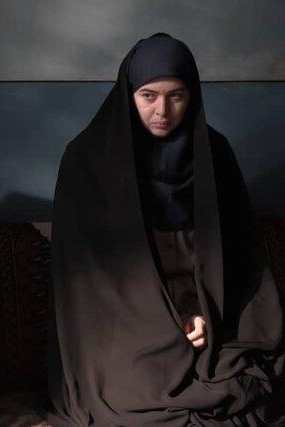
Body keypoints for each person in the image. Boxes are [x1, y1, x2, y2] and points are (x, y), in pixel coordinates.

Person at [47, 33, 284, 425]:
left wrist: (206, 313)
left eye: (176, 95)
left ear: (193, 95)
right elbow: (88, 288)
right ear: (128, 94)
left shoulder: (214, 154)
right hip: (124, 330)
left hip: (209, 314)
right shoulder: (87, 160)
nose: (163, 110)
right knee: (136, 400)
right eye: (148, 96)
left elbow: (242, 261)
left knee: (247, 385)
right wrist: (167, 324)